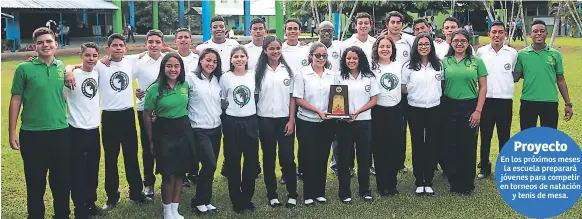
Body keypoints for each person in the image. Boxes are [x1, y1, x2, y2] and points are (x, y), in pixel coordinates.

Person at [65, 33, 153, 209]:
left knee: (131, 157)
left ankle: (136, 193)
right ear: (108, 49)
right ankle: (112, 197)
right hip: (109, 116)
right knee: (110, 159)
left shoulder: (131, 60)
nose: (118, 48)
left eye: (121, 45)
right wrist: (68, 70)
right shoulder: (99, 64)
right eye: (114, 45)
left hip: (127, 114)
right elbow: (77, 64)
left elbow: (152, 52)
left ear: (126, 49)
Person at [9, 27, 71, 219]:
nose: (45, 45)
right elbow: (16, 99)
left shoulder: (62, 67)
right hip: (32, 133)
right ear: (35, 46)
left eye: (49, 41)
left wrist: (70, 69)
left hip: (60, 132)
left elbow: (79, 65)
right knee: (35, 181)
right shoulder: (23, 69)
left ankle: (62, 215)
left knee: (61, 181)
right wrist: (12, 132)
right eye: (41, 42)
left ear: (56, 44)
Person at [143, 53, 195, 219]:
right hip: (164, 133)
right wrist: (151, 140)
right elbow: (147, 115)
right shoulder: (154, 89)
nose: (173, 69)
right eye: (169, 66)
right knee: (168, 174)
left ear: (181, 68)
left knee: (180, 173)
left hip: (183, 130)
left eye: (176, 66)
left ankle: (175, 209)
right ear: (163, 68)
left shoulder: (185, 85)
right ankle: (167, 212)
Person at [442, 29, 488, 195]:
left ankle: (467, 183)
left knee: (467, 146)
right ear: (451, 43)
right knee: (451, 145)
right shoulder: (445, 61)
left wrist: (478, 111)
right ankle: (454, 181)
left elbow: (483, 87)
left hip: (470, 107)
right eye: (456, 41)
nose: (459, 44)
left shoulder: (476, 62)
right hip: (449, 106)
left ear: (468, 43)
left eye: (463, 41)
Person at [255, 36, 298, 208]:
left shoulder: (288, 70)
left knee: (288, 158)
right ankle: (272, 194)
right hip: (264, 120)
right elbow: (256, 97)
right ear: (265, 50)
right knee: (269, 158)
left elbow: (292, 98)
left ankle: (292, 194)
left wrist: (291, 120)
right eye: (271, 49)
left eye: (278, 48)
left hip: (284, 120)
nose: (275, 52)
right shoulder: (257, 72)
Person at [65, 42, 105, 218]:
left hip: (94, 130)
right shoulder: (70, 76)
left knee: (92, 170)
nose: (91, 59)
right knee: (78, 172)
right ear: (80, 55)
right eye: (87, 55)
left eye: (94, 55)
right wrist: (68, 70)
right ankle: (79, 208)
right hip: (76, 130)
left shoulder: (97, 73)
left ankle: (90, 203)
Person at [293, 42, 336, 206]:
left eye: (324, 55)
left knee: (323, 156)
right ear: (310, 56)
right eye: (318, 55)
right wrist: (318, 111)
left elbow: (337, 97)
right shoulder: (302, 74)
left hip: (327, 122)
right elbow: (298, 99)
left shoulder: (332, 75)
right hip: (307, 122)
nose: (321, 58)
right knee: (309, 157)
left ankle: (320, 192)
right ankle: (308, 194)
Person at [335, 46, 378, 204]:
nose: (351, 61)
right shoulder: (338, 76)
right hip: (344, 123)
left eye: (354, 58)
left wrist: (358, 112)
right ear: (344, 60)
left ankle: (365, 190)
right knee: (344, 158)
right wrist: (343, 115)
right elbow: (334, 99)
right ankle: (344, 192)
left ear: (360, 59)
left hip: (364, 122)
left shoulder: (368, 76)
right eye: (348, 58)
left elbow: (374, 99)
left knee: (364, 158)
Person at [219, 46, 259, 213]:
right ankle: (236, 200)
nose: (239, 59)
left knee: (250, 163)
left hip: (250, 121)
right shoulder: (225, 78)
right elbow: (222, 100)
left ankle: (247, 198)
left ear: (247, 59)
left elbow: (257, 96)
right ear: (231, 60)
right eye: (235, 56)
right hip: (231, 122)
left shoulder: (253, 76)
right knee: (233, 163)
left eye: (242, 56)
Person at [401, 34, 443, 195]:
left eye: (427, 44)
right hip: (415, 109)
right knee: (418, 144)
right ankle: (419, 181)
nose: (424, 46)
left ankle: (429, 180)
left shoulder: (438, 65)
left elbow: (443, 84)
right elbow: (403, 88)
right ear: (416, 46)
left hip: (434, 108)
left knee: (432, 144)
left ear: (431, 46)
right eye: (420, 44)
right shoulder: (408, 66)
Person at [475, 21, 517, 179]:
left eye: (500, 32)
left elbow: (513, 73)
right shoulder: (481, 52)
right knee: (485, 135)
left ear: (505, 34)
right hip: (486, 100)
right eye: (494, 32)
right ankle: (484, 167)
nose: (497, 35)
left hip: (505, 100)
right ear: (489, 34)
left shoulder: (512, 53)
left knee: (504, 135)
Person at [513, 20, 573, 130]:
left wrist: (568, 103)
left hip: (550, 102)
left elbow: (561, 80)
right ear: (530, 35)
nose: (538, 34)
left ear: (547, 34)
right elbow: (515, 77)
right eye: (535, 31)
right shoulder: (522, 54)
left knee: (548, 139)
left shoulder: (555, 54)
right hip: (528, 101)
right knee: (527, 138)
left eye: (542, 31)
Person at [187, 49, 223, 215]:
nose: (211, 64)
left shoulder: (218, 80)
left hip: (216, 128)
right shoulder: (190, 78)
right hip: (199, 129)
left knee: (210, 167)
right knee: (209, 164)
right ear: (200, 61)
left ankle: (206, 200)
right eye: (208, 60)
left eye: (214, 62)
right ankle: (198, 201)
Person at [133, 29, 167, 198]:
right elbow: (123, 79)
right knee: (148, 147)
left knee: (167, 146)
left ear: (162, 44)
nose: (154, 45)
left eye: (157, 42)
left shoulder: (167, 61)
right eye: (150, 42)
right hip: (145, 110)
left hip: (165, 112)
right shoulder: (138, 62)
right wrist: (136, 93)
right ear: (145, 43)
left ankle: (170, 179)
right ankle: (149, 183)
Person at [369, 35, 403, 197]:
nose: (384, 49)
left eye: (388, 47)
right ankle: (381, 184)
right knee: (380, 149)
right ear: (376, 49)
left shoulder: (398, 66)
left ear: (392, 49)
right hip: (377, 111)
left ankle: (392, 183)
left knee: (394, 148)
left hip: (395, 111)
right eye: (381, 46)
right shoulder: (371, 67)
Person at [281, 18, 310, 179]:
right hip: (285, 98)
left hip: (304, 98)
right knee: (287, 138)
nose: (292, 31)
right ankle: (287, 172)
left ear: (300, 31)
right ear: (285, 31)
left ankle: (303, 169)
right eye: (289, 28)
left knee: (304, 138)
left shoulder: (307, 50)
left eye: (295, 28)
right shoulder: (280, 50)